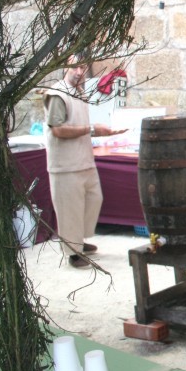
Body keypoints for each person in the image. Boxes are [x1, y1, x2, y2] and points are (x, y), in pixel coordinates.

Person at [44, 52, 127, 268]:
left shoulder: (79, 92)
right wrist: (93, 130)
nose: (79, 73)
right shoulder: (57, 94)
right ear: (65, 67)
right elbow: (59, 131)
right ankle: (73, 251)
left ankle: (78, 241)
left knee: (93, 199)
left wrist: (102, 132)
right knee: (69, 210)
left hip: (83, 160)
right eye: (75, 68)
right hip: (65, 164)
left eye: (82, 68)